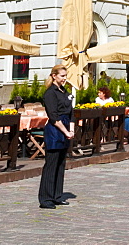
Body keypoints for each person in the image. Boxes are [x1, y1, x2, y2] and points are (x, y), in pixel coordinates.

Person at [40, 64, 74, 209]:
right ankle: (46, 198)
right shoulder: (50, 93)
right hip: (55, 130)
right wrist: (65, 131)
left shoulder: (64, 91)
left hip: (66, 127)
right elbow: (53, 116)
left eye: (65, 76)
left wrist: (71, 129)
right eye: (62, 76)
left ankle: (57, 195)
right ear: (54, 76)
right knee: (51, 163)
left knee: (61, 164)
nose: (65, 79)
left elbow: (71, 112)